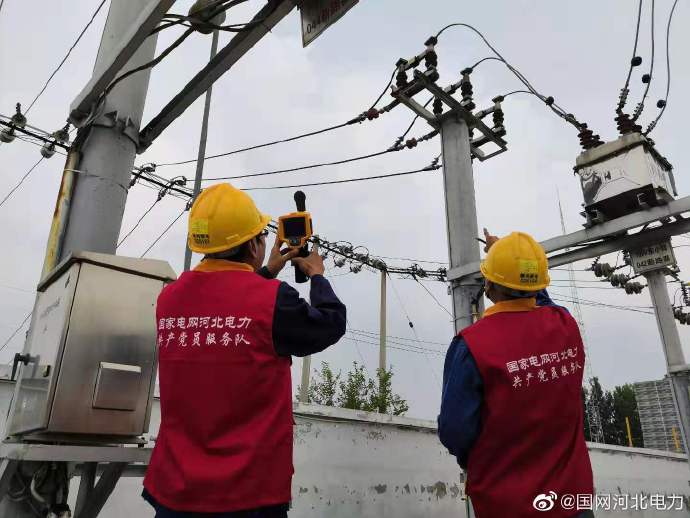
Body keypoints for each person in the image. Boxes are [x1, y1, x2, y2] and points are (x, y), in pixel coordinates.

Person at [143, 183, 347, 517]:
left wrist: (265, 271)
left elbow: (227, 304)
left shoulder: (168, 299)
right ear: (253, 245)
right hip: (249, 495)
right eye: (262, 235)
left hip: (174, 490)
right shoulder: (274, 300)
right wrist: (317, 276)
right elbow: (330, 324)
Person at [438, 229, 594, 518]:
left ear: (489, 284)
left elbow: (454, 431)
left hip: (507, 506)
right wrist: (508, 263)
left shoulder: (471, 345)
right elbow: (539, 300)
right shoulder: (566, 325)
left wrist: (477, 463)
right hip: (573, 503)